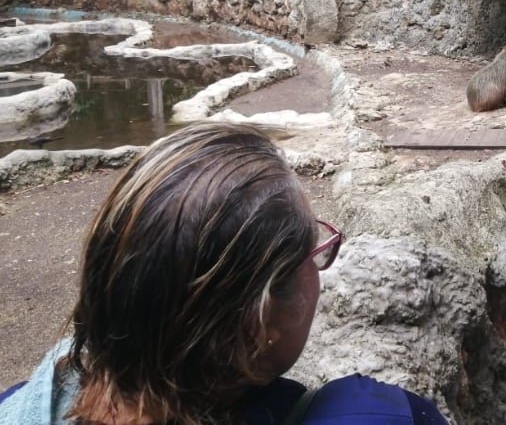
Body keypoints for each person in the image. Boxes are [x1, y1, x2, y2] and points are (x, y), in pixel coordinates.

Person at [0, 123, 450, 425]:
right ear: (259, 325)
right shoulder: (369, 412)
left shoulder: (19, 404)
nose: (320, 263)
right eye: (313, 251)